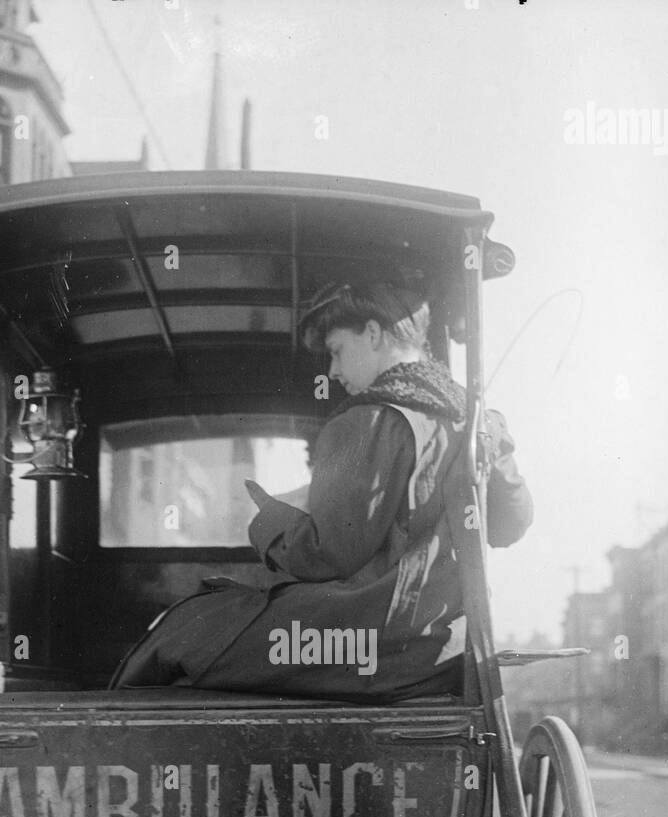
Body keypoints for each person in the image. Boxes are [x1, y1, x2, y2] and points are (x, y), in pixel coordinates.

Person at [109, 281, 534, 704]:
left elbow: (326, 554)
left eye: (336, 350)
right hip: (442, 649)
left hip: (361, 647)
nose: (332, 371)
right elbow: (511, 523)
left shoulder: (366, 421)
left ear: (373, 333)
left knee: (182, 628)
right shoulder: (480, 426)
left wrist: (266, 520)